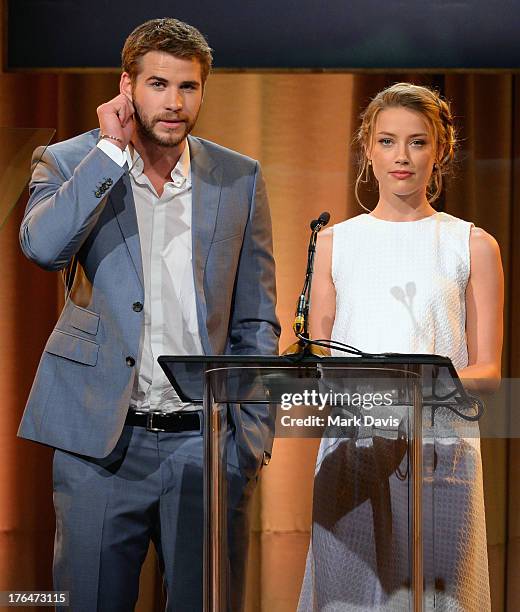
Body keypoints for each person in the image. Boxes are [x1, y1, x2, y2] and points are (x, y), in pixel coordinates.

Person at [18, 17, 279, 611]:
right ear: (127, 86)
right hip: (100, 445)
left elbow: (256, 319)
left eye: (188, 88)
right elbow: (41, 247)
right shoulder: (73, 160)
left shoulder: (239, 177)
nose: (174, 103)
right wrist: (110, 152)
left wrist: (247, 440)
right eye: (158, 85)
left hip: (203, 445)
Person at [298, 83, 503, 610]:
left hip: (440, 450)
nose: (402, 157)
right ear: (367, 147)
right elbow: (312, 354)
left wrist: (414, 388)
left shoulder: (472, 245)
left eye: (417, 142)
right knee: (347, 598)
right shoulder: (334, 243)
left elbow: (488, 372)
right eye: (388, 141)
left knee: (439, 600)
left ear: (441, 150)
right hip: (354, 447)